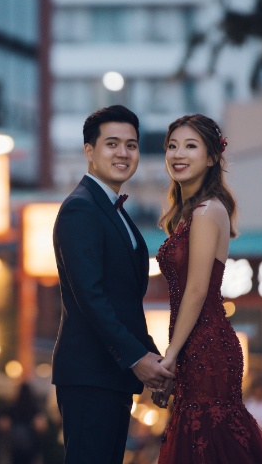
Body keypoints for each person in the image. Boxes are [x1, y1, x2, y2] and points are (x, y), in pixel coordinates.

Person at [154, 114, 262, 463]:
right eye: (172, 146)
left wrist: (169, 357)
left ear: (212, 158)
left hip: (207, 347)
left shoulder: (205, 211)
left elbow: (196, 291)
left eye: (190, 146)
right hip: (194, 346)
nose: (178, 154)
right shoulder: (188, 215)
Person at [51, 104, 175, 464]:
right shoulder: (81, 208)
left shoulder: (111, 210)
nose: (123, 153)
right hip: (90, 374)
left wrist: (154, 360)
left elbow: (125, 305)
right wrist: (137, 357)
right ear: (89, 152)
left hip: (108, 375)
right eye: (112, 144)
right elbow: (90, 296)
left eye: (131, 145)